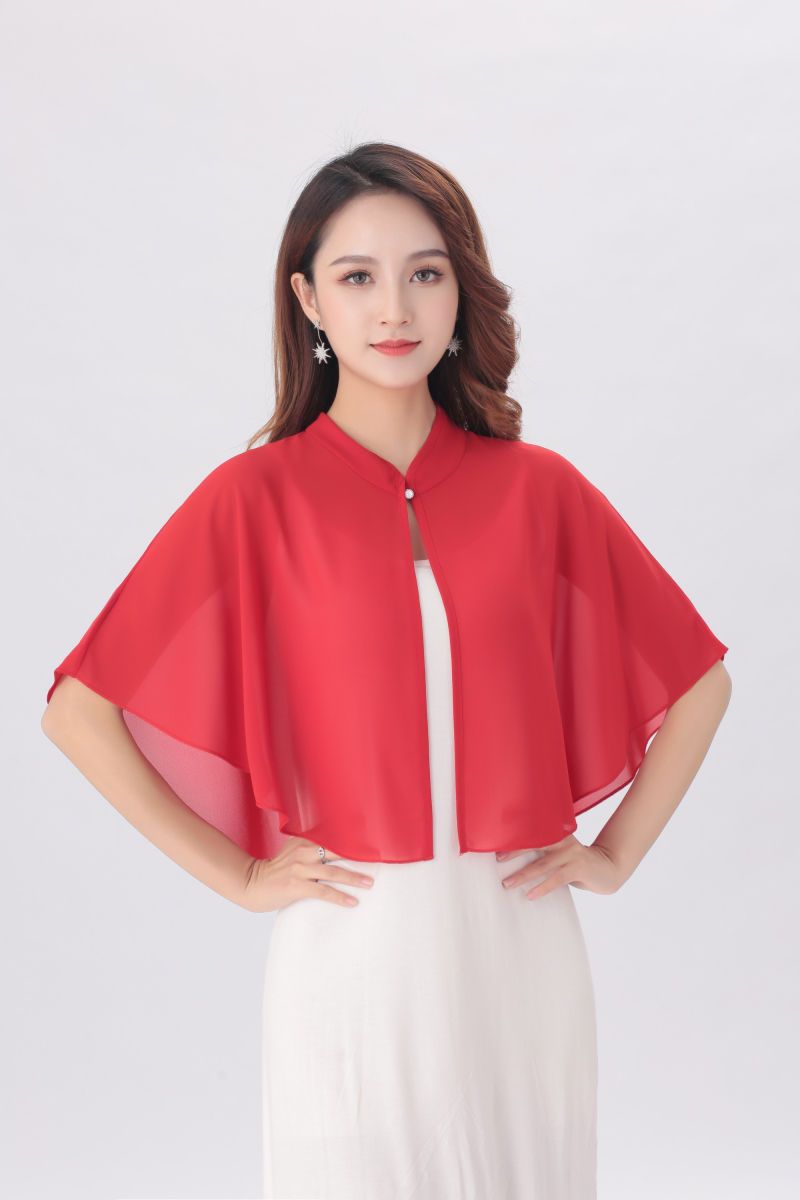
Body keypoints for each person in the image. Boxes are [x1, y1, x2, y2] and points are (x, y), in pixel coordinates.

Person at [41, 141, 732, 1200]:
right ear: (308, 300)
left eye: (425, 272)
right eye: (357, 276)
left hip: (521, 946)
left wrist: (614, 855)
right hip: (352, 954)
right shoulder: (253, 500)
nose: (394, 308)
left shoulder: (539, 490)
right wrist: (239, 876)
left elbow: (698, 683)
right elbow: (79, 711)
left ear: (461, 289)